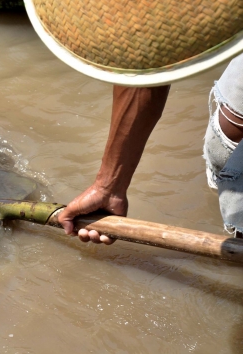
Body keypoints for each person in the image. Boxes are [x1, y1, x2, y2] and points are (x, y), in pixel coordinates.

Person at [58, 54, 243, 244]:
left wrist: (109, 186)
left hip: (228, 131)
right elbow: (145, 64)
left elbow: (145, 62)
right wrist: (109, 188)